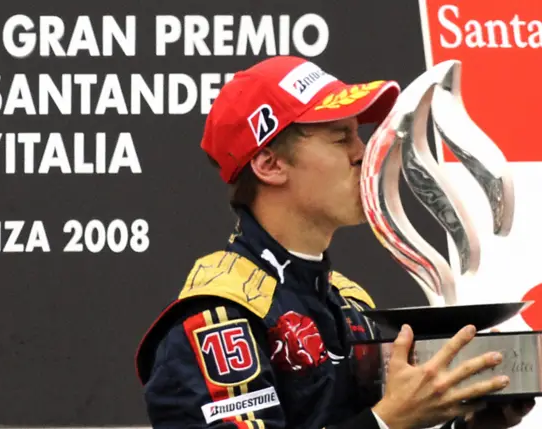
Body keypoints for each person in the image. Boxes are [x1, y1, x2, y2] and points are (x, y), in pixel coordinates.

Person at [134, 55, 536, 429]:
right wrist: (386, 421)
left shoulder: (351, 306)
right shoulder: (217, 318)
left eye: (358, 134)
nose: (363, 153)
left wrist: (473, 423)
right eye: (341, 137)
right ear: (270, 164)